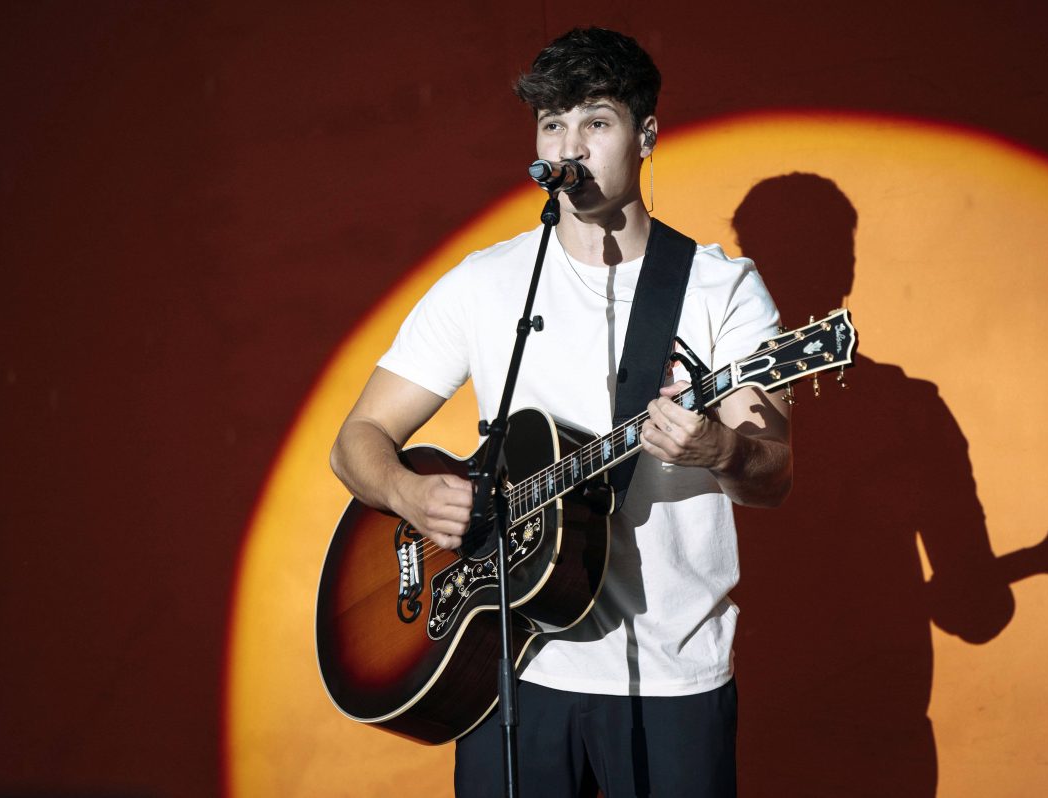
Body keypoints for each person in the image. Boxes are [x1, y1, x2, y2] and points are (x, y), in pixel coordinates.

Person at [330, 27, 792, 797]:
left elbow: (773, 474)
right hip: (503, 664)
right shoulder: (486, 284)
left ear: (645, 135)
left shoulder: (719, 290)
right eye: (553, 124)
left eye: (596, 122)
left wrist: (718, 450)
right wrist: (410, 495)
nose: (569, 144)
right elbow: (357, 442)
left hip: (671, 677)